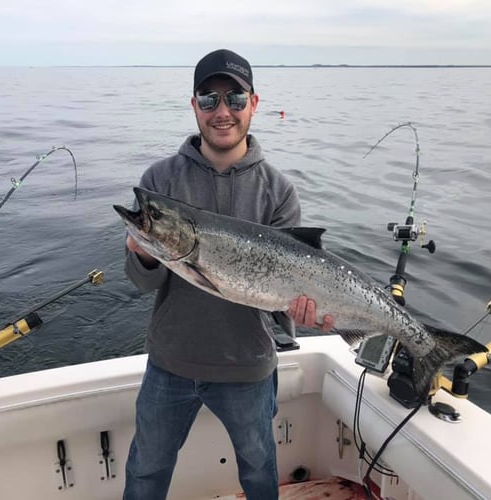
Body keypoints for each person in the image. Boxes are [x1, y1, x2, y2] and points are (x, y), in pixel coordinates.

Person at [122, 48, 333, 500]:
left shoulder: (277, 190)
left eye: (234, 99)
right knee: (145, 472)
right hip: (170, 363)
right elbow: (143, 284)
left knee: (259, 473)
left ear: (254, 104)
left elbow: (286, 298)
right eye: (209, 99)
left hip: (248, 367)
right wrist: (142, 254)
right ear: (194, 105)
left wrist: (304, 310)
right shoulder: (159, 181)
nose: (223, 112)